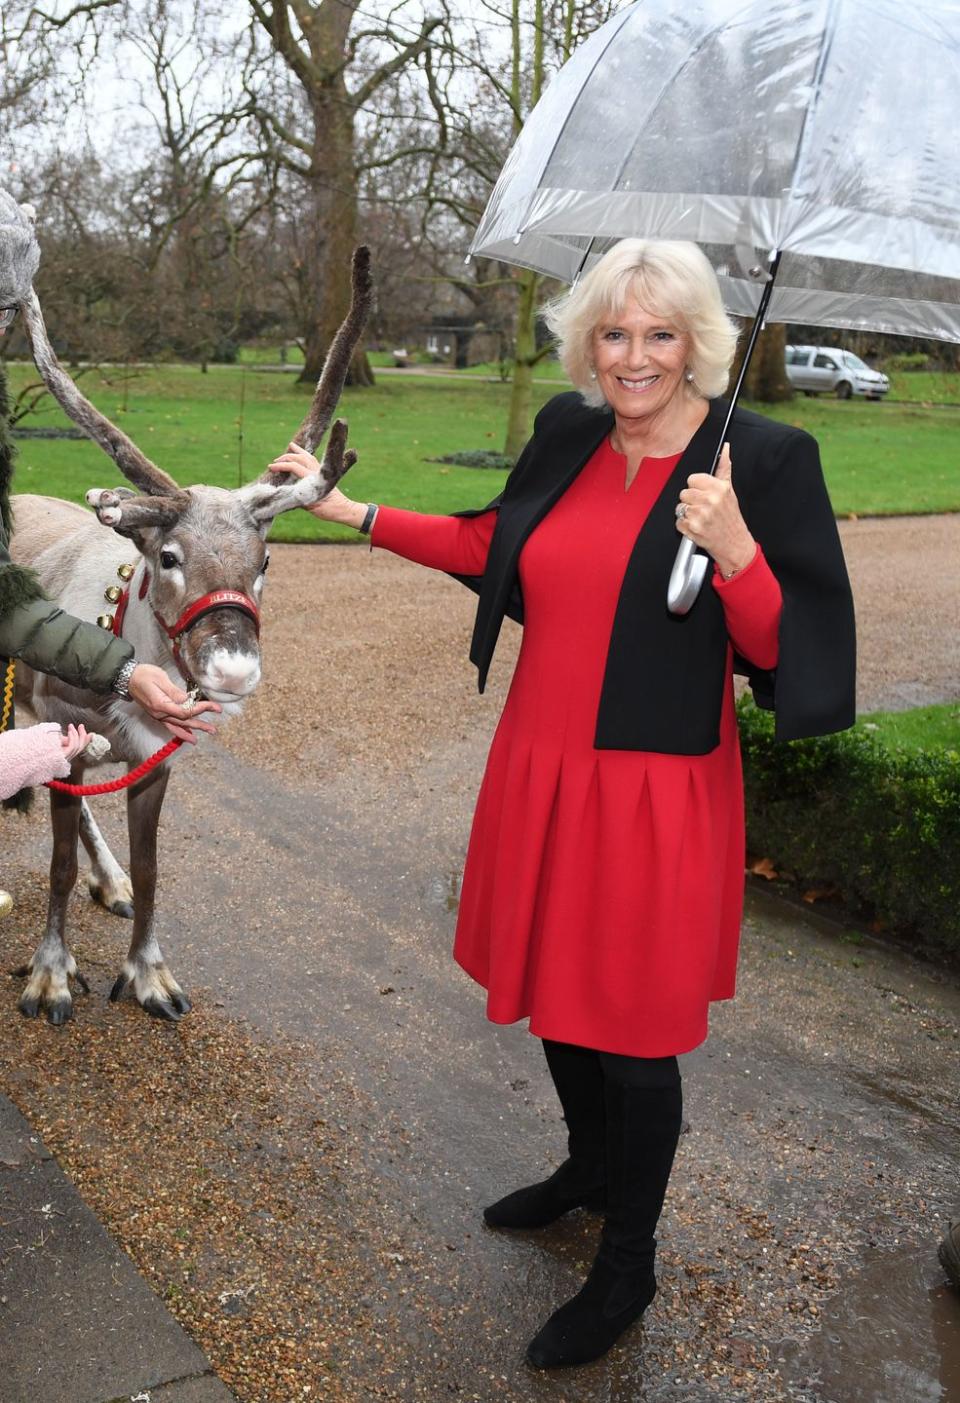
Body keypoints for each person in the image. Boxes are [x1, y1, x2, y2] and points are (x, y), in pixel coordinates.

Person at [269, 238, 856, 1370]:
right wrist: (346, 509)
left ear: (700, 343)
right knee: (557, 984)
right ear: (589, 342)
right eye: (614, 332)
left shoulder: (767, 459)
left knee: (632, 1026)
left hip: (656, 785)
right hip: (544, 759)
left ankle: (628, 1258)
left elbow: (791, 651)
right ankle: (590, 1164)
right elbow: (497, 547)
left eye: (661, 333)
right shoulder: (569, 431)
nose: (633, 357)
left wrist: (734, 549)